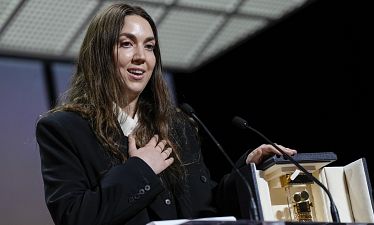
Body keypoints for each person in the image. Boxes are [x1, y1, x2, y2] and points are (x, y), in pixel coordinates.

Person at [35, 3, 297, 225]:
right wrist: (141, 169)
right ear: (100, 55)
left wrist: (248, 172)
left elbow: (206, 205)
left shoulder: (178, 126)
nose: (141, 57)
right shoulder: (64, 128)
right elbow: (74, 215)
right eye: (127, 44)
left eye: (149, 47)